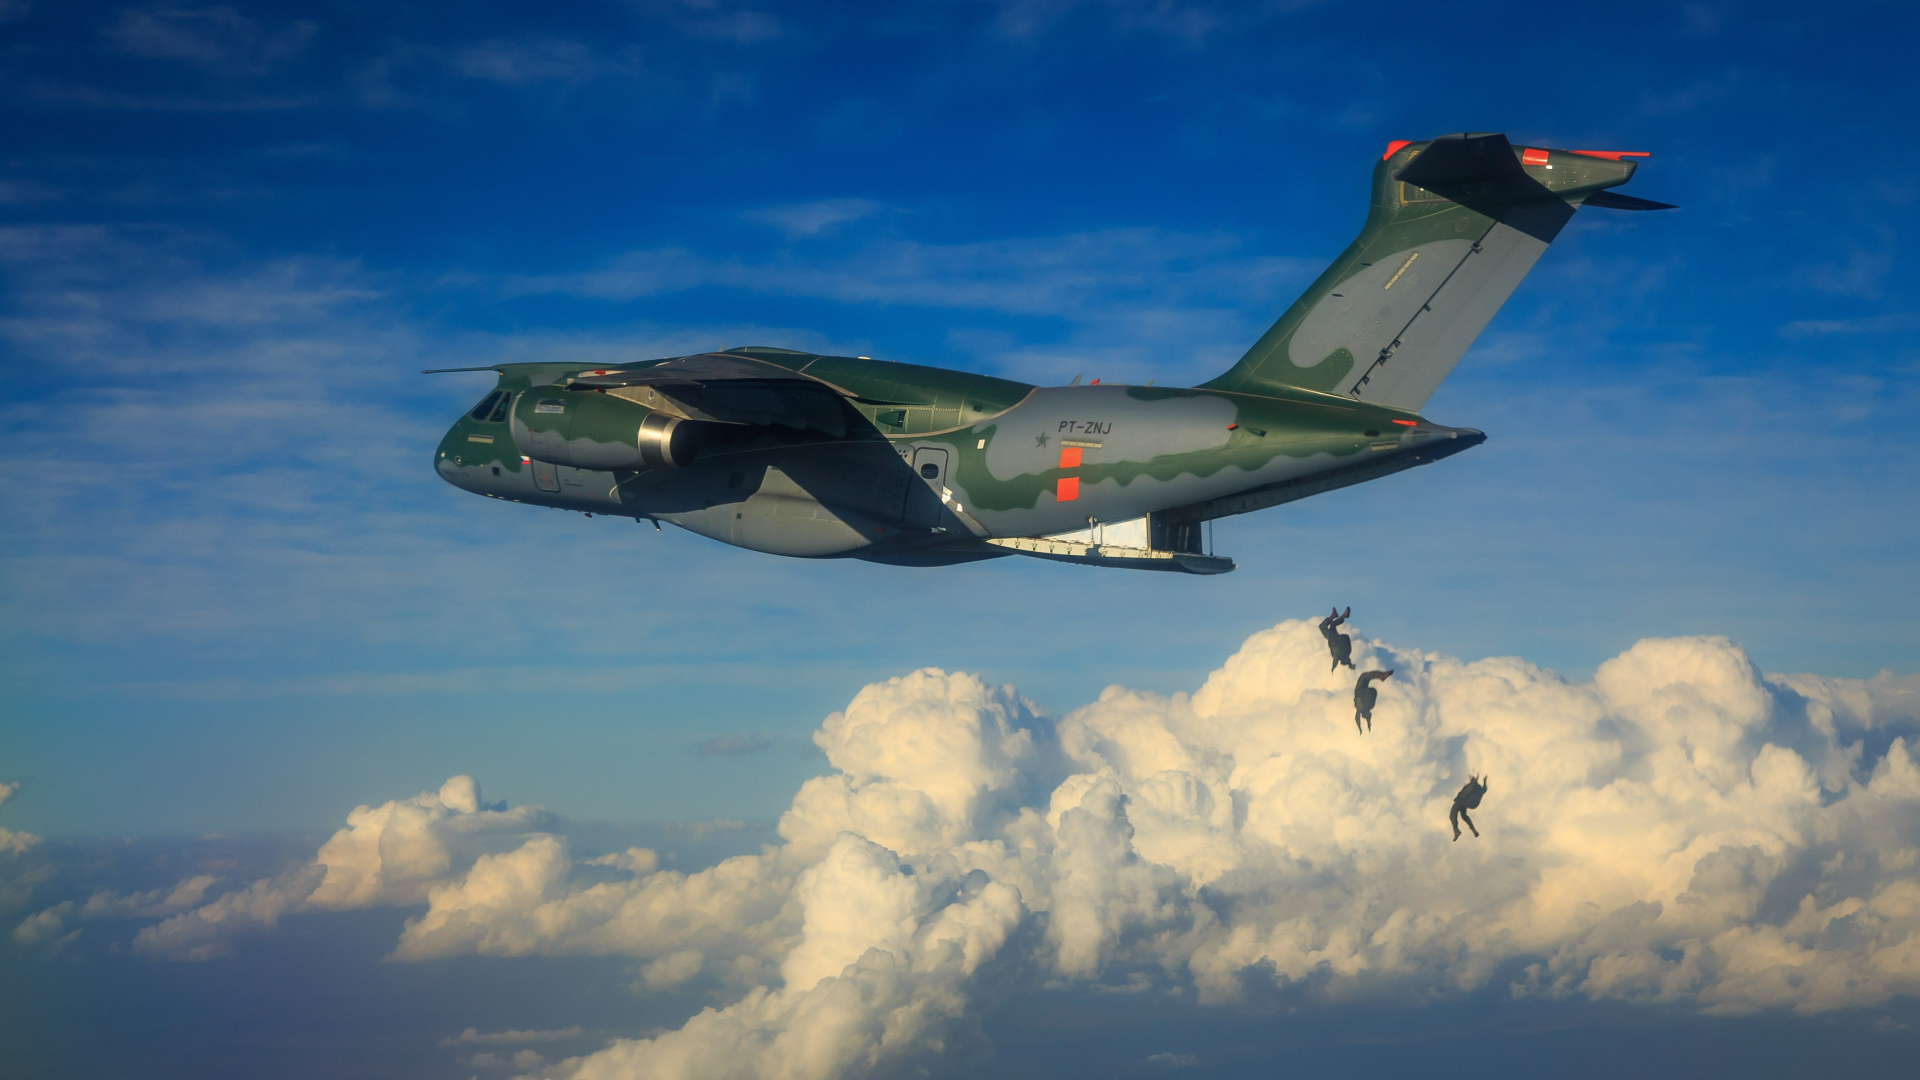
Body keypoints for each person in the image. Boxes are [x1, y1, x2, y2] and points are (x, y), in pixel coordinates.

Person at [1352, 669, 1393, 734]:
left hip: (1361, 689)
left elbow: (1357, 718)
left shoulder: (1360, 708)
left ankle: (1381, 676)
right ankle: (1381, 676)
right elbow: (1367, 718)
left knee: (1365, 676)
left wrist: (1360, 728)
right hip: (1362, 689)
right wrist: (1368, 724)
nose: (1369, 712)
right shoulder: (1367, 707)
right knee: (1365, 676)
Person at [1450, 774, 1488, 841]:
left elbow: (1467, 791)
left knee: (1453, 811)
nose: (1469, 778)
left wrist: (1460, 798)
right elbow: (1484, 789)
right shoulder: (1478, 787)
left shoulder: (1473, 784)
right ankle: (1474, 830)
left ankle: (1456, 830)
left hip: (1464, 801)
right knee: (1464, 816)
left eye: (1470, 777)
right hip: (1469, 803)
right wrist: (1484, 781)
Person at [1319, 606, 1354, 671]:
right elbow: (1335, 660)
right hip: (1334, 639)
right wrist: (1333, 668)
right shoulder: (1338, 656)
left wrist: (1350, 664)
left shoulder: (1348, 653)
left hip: (1340, 638)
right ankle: (1342, 615)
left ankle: (1339, 615)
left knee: (1332, 625)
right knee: (1322, 627)